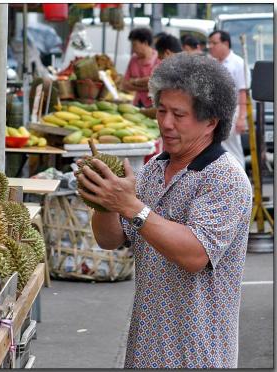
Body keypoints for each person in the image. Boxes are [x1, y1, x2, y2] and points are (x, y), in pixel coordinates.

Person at [76, 53, 252, 368]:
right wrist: (103, 200)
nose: (165, 123)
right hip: (146, 349)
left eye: (178, 114)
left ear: (211, 121)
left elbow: (195, 254)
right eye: (161, 110)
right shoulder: (154, 170)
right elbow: (110, 239)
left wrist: (130, 205)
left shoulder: (226, 178)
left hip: (199, 352)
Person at [208, 30, 248, 168]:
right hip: (213, 112)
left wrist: (242, 117)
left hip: (232, 112)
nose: (210, 46)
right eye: (209, 43)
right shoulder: (212, 63)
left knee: (232, 148)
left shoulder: (238, 63)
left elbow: (243, 92)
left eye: (214, 43)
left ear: (225, 43)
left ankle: (239, 179)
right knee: (217, 147)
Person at [122, 28, 161, 108]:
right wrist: (144, 84)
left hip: (154, 106)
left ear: (145, 43)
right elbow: (125, 84)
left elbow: (155, 85)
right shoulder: (133, 59)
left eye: (135, 45)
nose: (133, 49)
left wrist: (134, 81)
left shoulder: (158, 59)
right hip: (136, 104)